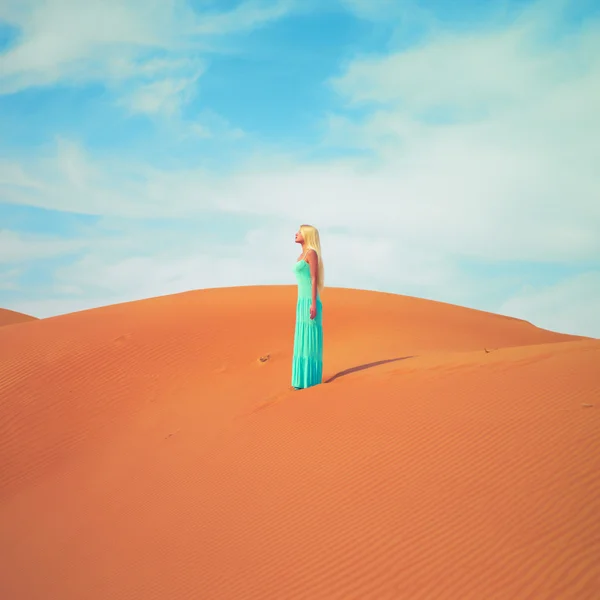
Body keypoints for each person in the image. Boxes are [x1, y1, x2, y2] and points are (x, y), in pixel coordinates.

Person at [291, 224, 324, 390]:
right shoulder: (301, 256)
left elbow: (313, 279)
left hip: (310, 302)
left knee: (309, 339)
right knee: (301, 338)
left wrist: (313, 304)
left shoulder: (311, 253)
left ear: (307, 235)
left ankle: (310, 381)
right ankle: (300, 381)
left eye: (299, 232)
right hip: (301, 302)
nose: (296, 234)